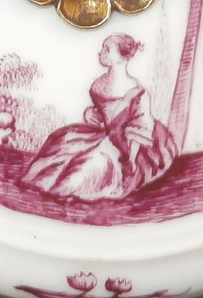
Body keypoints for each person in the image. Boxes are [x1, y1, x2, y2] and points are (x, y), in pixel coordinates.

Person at [21, 34, 177, 201]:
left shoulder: (138, 92)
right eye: (103, 48)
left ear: (121, 58)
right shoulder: (98, 84)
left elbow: (139, 129)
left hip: (129, 145)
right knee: (65, 142)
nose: (100, 52)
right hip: (105, 135)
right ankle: (42, 183)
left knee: (93, 163)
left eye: (107, 49)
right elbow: (102, 114)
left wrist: (130, 160)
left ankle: (68, 189)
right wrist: (91, 114)